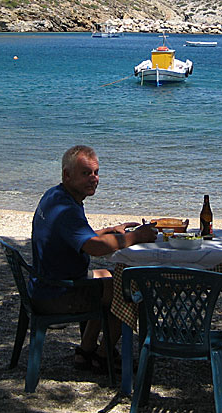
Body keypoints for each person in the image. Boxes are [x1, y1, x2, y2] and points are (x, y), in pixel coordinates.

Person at [31, 145, 157, 373]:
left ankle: (85, 351)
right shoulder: (66, 208)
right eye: (86, 173)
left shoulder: (55, 195)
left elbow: (76, 235)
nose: (93, 179)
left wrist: (109, 230)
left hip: (47, 282)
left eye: (96, 172)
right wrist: (137, 236)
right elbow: (94, 248)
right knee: (128, 289)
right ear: (67, 175)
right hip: (57, 293)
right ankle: (103, 354)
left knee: (113, 279)